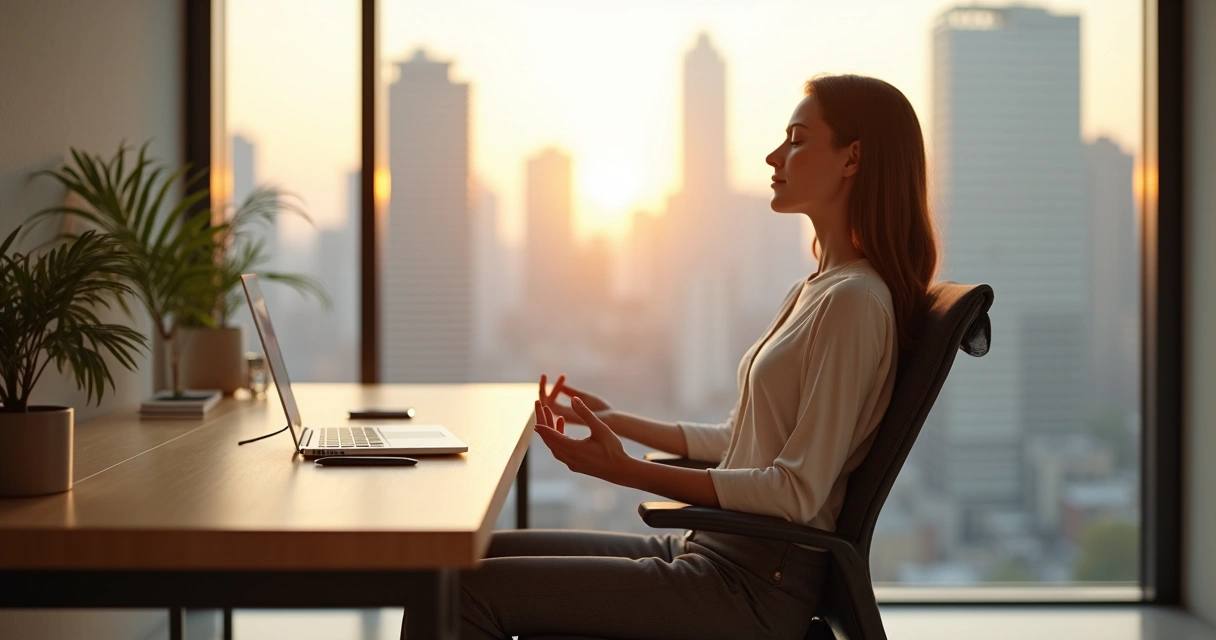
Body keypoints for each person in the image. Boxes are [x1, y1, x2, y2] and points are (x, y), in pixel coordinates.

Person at [459, 73, 940, 640]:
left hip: (750, 587)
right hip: (712, 550)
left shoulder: (856, 302)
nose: (773, 154)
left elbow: (796, 491)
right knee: (457, 564)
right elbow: (740, 441)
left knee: (460, 597)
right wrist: (621, 423)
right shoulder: (817, 288)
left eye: (797, 138)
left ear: (852, 158)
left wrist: (627, 470)